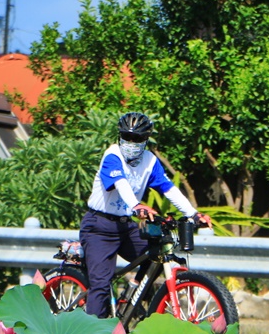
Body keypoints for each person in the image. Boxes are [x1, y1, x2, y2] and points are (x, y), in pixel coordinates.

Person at [81, 112, 210, 318]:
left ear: (145, 140)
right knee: (101, 286)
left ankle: (131, 295)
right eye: (127, 137)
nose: (131, 142)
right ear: (120, 136)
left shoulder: (149, 161)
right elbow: (121, 183)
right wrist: (137, 206)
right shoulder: (112, 155)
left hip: (125, 226)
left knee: (157, 255)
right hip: (99, 227)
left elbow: (168, 188)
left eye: (138, 139)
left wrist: (193, 214)